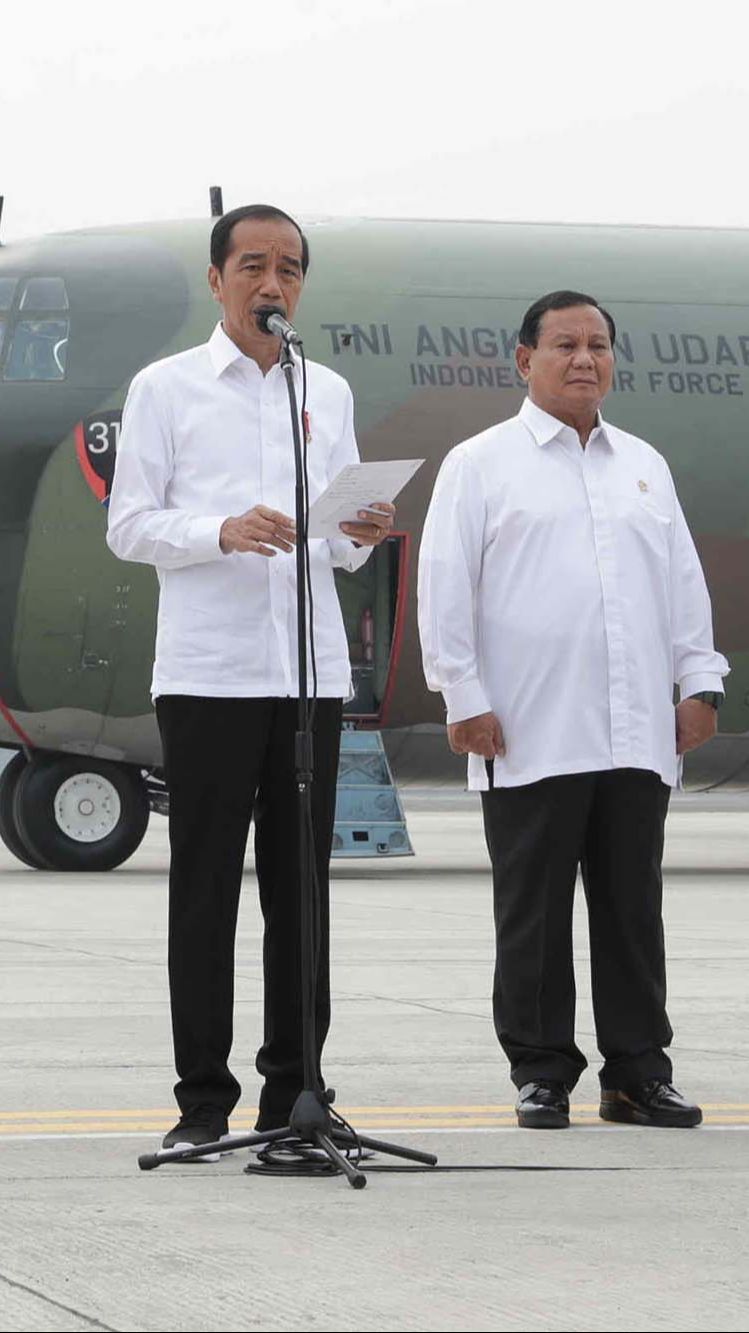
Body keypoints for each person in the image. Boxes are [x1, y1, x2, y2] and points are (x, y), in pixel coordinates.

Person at [107, 203, 394, 1153]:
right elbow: (130, 525)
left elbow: (338, 546)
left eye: (292, 269)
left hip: (305, 674)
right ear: (218, 278)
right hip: (209, 675)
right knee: (205, 893)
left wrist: (359, 533)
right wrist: (218, 530)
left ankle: (295, 1097)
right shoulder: (166, 389)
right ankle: (201, 1101)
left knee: (300, 891)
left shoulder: (327, 389)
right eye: (255, 266)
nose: (274, 285)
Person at [417, 290, 728, 1130]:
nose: (583, 359)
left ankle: (636, 1071)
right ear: (524, 361)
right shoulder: (479, 463)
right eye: (564, 345)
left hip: (634, 729)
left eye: (597, 345)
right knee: (535, 910)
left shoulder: (642, 464)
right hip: (526, 727)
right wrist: (463, 695)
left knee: (631, 909)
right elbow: (445, 587)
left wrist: (698, 682)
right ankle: (541, 1069)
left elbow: (680, 584)